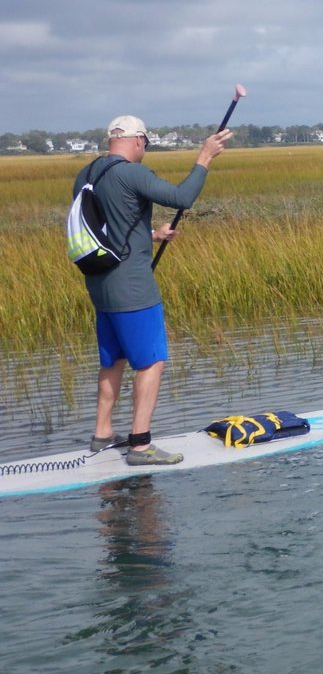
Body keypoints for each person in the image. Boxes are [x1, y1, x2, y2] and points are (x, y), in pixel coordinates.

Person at [74, 116, 233, 466]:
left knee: (113, 360)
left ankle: (102, 435)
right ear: (137, 141)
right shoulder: (132, 173)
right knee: (151, 362)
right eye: (145, 143)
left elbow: (107, 232)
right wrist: (204, 157)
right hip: (133, 288)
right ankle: (141, 445)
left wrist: (153, 235)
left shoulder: (87, 174)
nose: (144, 149)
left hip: (100, 286)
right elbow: (182, 197)